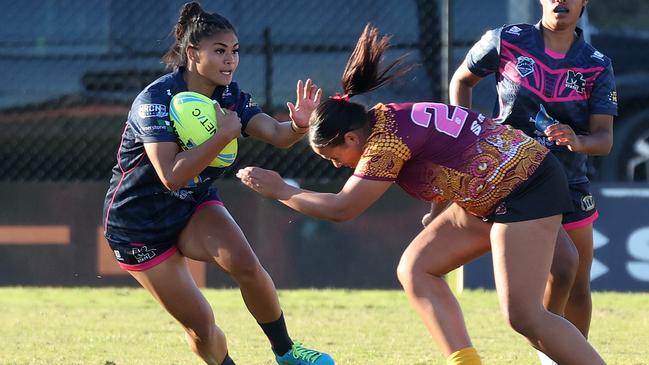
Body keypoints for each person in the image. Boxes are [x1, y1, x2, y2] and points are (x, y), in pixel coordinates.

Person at [237, 24, 608, 365]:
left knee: (524, 316)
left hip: (523, 186)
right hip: (500, 185)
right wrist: (438, 210)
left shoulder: (384, 143)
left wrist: (281, 190)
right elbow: (446, 158)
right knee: (416, 268)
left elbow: (342, 208)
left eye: (334, 157)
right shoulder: (385, 116)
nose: (336, 166)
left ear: (351, 138)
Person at [101, 2, 334, 365]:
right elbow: (171, 174)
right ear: (192, 54)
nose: (231, 60)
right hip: (138, 225)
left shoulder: (229, 96)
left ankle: (287, 353)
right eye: (220, 51)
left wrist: (299, 126)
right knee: (202, 328)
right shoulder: (155, 101)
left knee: (246, 264)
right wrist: (222, 137)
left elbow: (274, 133)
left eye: (235, 51)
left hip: (191, 203)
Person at [449, 0, 617, 363]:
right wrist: (470, 139)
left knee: (575, 281)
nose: (561, 0)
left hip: (569, 181)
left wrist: (577, 139)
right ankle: (548, 343)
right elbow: (461, 80)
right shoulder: (504, 40)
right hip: (512, 179)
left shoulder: (596, 64)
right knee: (555, 272)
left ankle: (565, 354)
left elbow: (604, 140)